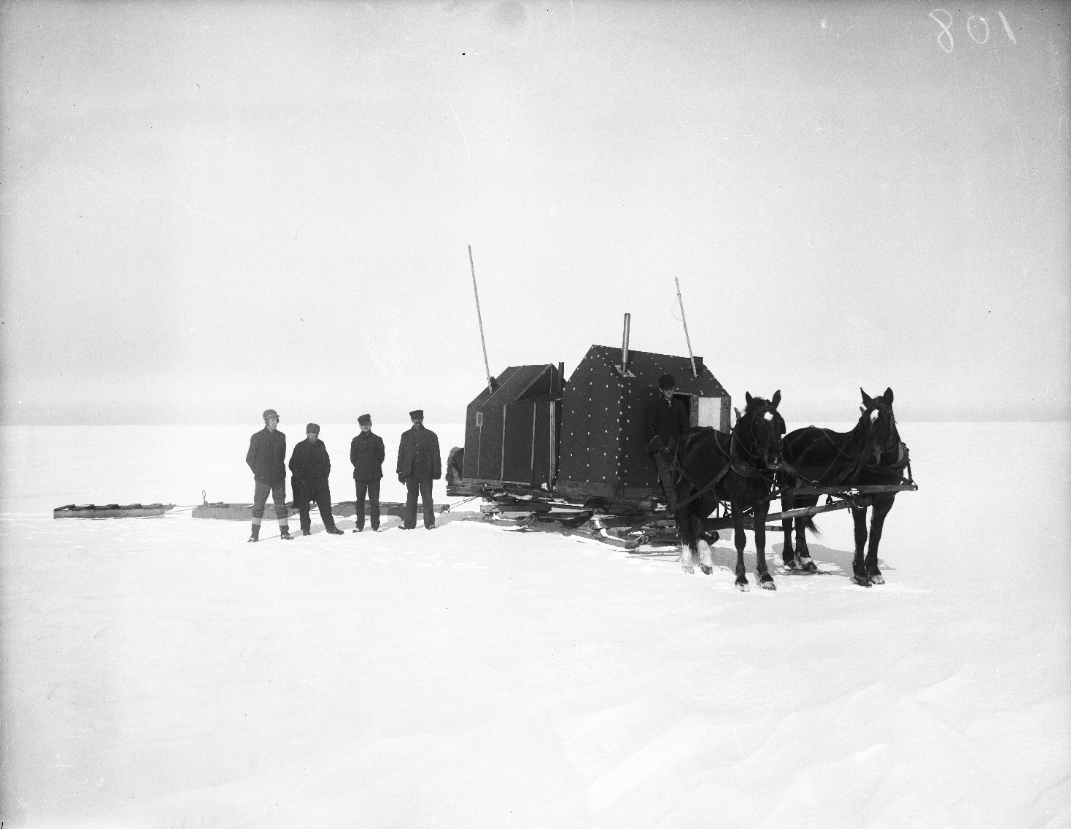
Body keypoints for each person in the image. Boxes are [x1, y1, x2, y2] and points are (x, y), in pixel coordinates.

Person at [288, 423, 344, 536]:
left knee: (325, 506)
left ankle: (330, 527)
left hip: (320, 482)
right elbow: (292, 465)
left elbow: (327, 462)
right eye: (312, 432)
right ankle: (305, 529)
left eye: (316, 433)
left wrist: (324, 476)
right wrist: (301, 479)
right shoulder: (300, 446)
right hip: (305, 483)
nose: (314, 435)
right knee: (304, 507)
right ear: (307, 433)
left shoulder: (321, 445)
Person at [245, 409, 293, 542]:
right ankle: (254, 534)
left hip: (278, 478)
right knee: (258, 506)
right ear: (266, 421)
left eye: (276, 420)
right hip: (262, 479)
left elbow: (281, 457)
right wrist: (259, 472)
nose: (275, 422)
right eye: (272, 420)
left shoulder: (281, 436)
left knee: (281, 505)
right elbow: (250, 459)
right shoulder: (257, 437)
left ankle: (285, 532)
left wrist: (279, 472)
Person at [643, 374, 689, 507]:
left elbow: (685, 426)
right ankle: (674, 506)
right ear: (661, 390)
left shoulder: (679, 405)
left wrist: (681, 442)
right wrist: (660, 447)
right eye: (666, 389)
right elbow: (648, 428)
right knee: (666, 477)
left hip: (677, 447)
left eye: (671, 388)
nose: (669, 391)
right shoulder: (655, 405)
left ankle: (685, 504)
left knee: (682, 475)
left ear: (674, 389)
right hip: (660, 447)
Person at [396, 409, 441, 530]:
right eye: (415, 419)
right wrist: (400, 471)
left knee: (427, 498)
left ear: (422, 419)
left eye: (419, 419)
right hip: (410, 473)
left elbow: (436, 454)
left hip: (426, 472)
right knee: (411, 498)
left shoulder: (431, 435)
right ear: (411, 420)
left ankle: (430, 523)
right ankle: (409, 524)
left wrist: (437, 470)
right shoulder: (405, 436)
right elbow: (401, 454)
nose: (417, 421)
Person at [350, 413, 385, 532]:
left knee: (374, 501)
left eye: (367, 424)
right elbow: (353, 458)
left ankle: (375, 525)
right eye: (362, 425)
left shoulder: (377, 440)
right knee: (360, 501)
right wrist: (361, 467)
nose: (365, 427)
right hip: (360, 476)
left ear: (371, 425)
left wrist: (373, 467)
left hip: (374, 476)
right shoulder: (355, 441)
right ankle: (359, 525)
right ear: (359, 426)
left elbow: (381, 457)